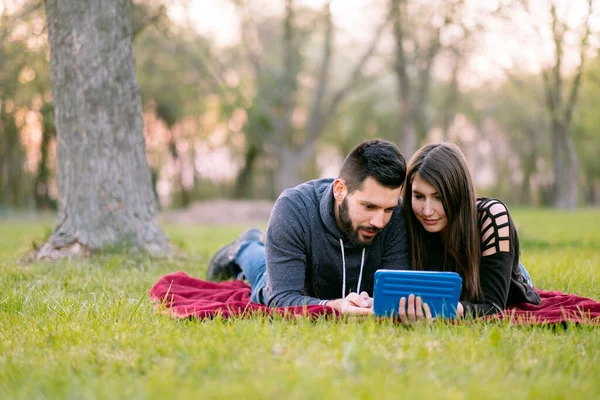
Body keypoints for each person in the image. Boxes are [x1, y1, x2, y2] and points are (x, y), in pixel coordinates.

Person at [206, 139, 411, 315]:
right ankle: (245, 247)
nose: (379, 221)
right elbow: (281, 299)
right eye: (369, 206)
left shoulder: (397, 215)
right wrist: (333, 306)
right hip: (298, 284)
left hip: (339, 291)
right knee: (262, 273)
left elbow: (396, 293)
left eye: (387, 209)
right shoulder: (293, 209)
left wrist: (379, 303)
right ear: (339, 190)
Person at [399, 142, 541, 321]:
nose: (427, 211)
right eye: (419, 196)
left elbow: (493, 306)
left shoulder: (492, 216)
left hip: (498, 269)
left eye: (439, 197)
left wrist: (444, 309)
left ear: (458, 193)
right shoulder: (407, 217)